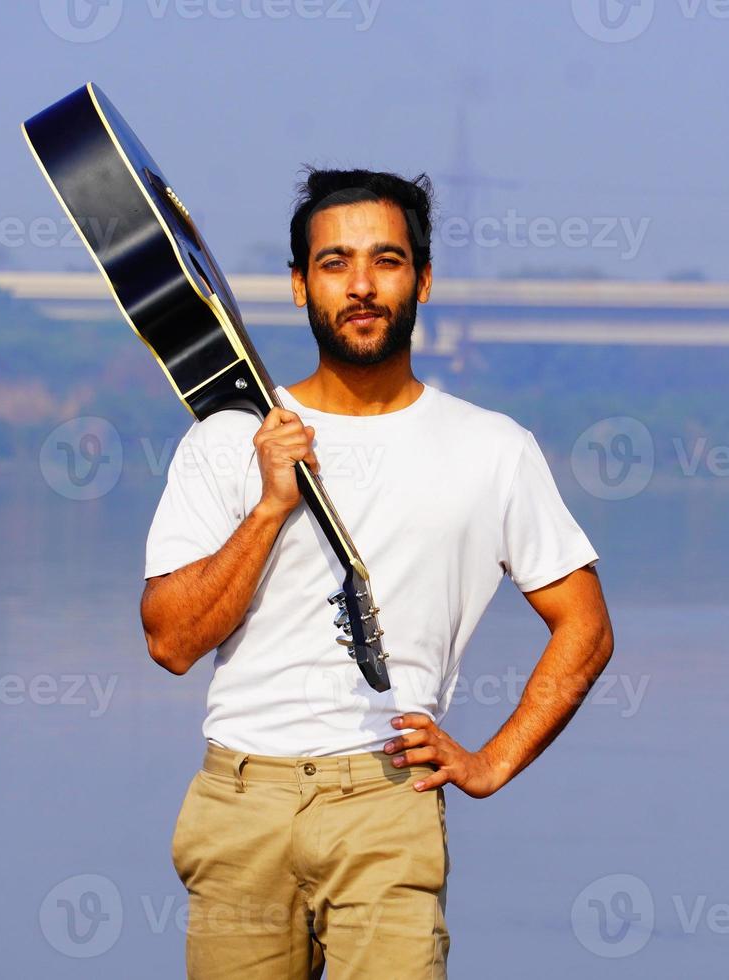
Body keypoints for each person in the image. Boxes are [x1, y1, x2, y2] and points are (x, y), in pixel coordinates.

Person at [140, 167, 614, 979]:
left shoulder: (493, 447)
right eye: (334, 264)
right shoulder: (230, 438)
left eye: (386, 260)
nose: (361, 285)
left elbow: (587, 626)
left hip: (387, 802)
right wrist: (267, 508)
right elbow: (171, 641)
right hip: (239, 803)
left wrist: (491, 762)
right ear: (299, 286)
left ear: (422, 279)